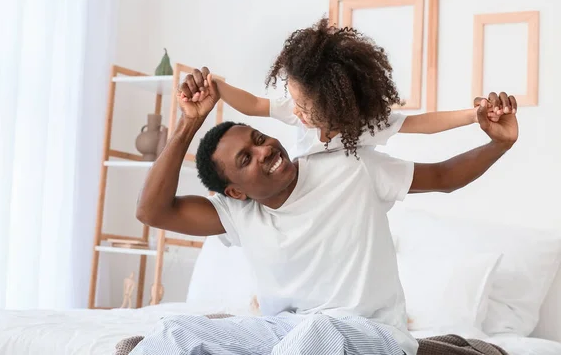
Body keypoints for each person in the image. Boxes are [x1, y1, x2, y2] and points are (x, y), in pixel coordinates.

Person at [134, 68, 518, 355]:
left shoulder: (351, 166)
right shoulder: (236, 214)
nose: (265, 149)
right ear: (236, 191)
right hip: (284, 333)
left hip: (373, 335)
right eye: (246, 158)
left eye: (259, 138)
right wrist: (189, 123)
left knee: (316, 333)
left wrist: (498, 145)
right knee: (172, 334)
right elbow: (152, 212)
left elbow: (444, 176)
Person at [184, 17, 515, 160]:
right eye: (294, 100)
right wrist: (218, 88)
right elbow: (255, 104)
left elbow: (421, 123)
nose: (295, 110)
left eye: (304, 106)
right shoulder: (294, 112)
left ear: (337, 107)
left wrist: (474, 116)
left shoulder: (366, 125)